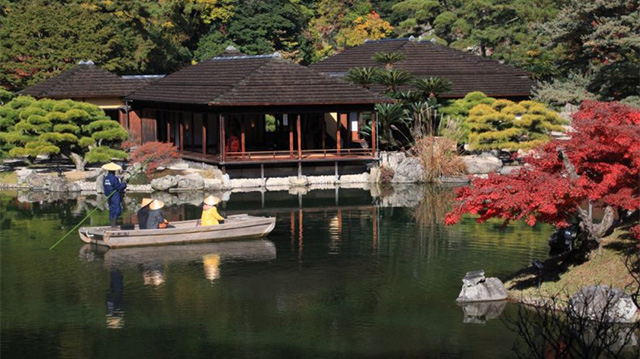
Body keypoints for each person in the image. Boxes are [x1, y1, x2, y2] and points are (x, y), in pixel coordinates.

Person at [102, 162, 127, 228]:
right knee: (117, 209)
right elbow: (119, 187)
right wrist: (125, 183)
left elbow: (105, 188)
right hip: (114, 195)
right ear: (114, 171)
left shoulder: (105, 178)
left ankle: (112, 223)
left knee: (111, 209)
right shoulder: (114, 178)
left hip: (108, 195)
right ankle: (113, 223)